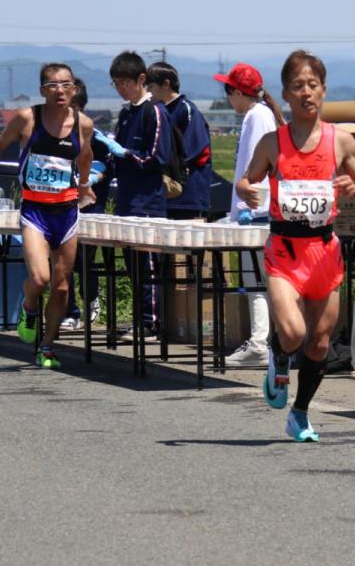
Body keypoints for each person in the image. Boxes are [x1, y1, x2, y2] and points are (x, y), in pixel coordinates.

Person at [237, 50, 355, 442]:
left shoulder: (340, 141)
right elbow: (246, 182)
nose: (306, 92)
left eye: (313, 85)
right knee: (294, 332)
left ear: (323, 91)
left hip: (324, 251)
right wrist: (247, 189)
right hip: (284, 251)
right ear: (286, 93)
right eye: (298, 86)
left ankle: (299, 414)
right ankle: (278, 353)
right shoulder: (271, 143)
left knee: (319, 343)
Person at [0, 63, 94, 370]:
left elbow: (86, 155)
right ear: (43, 90)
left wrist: (84, 184)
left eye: (66, 85)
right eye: (53, 85)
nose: (60, 91)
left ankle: (47, 347)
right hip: (35, 211)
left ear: (74, 89)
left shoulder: (84, 123)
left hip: (66, 212)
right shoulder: (28, 118)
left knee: (63, 286)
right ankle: (29, 307)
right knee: (40, 278)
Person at [216, 62, 284, 366]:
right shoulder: (261, 115)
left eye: (229, 91)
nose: (229, 99)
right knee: (262, 280)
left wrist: (244, 208)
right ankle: (267, 341)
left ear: (239, 92)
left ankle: (258, 342)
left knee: (255, 280)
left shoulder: (257, 117)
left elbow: (254, 167)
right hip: (258, 208)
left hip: (257, 210)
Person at [109, 51, 175, 338]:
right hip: (126, 199)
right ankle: (139, 318)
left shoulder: (155, 111)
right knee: (132, 266)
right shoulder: (126, 114)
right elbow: (115, 157)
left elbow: (157, 157)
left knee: (147, 265)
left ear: (141, 79)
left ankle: (150, 322)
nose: (121, 88)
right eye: (116, 83)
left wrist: (126, 154)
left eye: (125, 82)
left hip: (147, 203)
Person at [60, 77, 122, 331]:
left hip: (90, 208)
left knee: (85, 260)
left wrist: (93, 176)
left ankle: (91, 297)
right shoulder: (56, 135)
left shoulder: (96, 137)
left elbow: (108, 166)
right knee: (64, 261)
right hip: (62, 206)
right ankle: (70, 312)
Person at [146, 61, 212, 220]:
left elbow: (194, 148)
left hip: (189, 194)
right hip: (166, 194)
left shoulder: (186, 109)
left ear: (166, 84)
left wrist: (168, 166)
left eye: (151, 86)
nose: (148, 91)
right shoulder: (157, 111)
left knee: (187, 242)